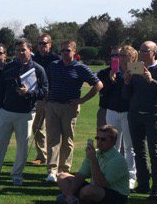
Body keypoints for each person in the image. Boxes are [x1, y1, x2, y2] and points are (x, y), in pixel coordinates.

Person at [0, 39, 48, 186]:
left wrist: (29, 93)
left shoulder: (38, 69)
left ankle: (16, 175)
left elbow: (44, 91)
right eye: (17, 50)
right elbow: (1, 89)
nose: (20, 53)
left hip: (26, 113)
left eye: (23, 50)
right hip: (6, 112)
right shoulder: (9, 68)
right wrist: (0, 108)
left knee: (22, 147)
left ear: (30, 50)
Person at [42, 40, 101, 182]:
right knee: (52, 139)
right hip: (52, 105)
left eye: (67, 50)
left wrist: (82, 100)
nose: (64, 53)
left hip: (70, 107)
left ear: (74, 52)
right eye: (62, 51)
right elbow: (45, 83)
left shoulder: (81, 68)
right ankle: (52, 170)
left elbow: (98, 84)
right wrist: (46, 101)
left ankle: (64, 170)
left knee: (67, 139)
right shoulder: (53, 66)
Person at [123, 41, 157, 201]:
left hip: (154, 115)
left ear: (154, 52)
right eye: (141, 50)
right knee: (139, 152)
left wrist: (151, 81)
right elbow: (126, 95)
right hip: (135, 114)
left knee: (155, 152)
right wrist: (127, 82)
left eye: (146, 50)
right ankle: (143, 184)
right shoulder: (135, 67)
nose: (142, 53)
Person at [56, 125, 130, 204]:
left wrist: (93, 160)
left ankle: (78, 201)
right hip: (98, 190)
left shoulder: (117, 160)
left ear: (113, 142)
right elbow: (81, 175)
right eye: (97, 138)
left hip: (116, 197)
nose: (99, 142)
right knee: (62, 177)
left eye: (103, 139)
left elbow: (101, 184)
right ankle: (72, 200)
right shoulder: (95, 153)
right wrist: (70, 194)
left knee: (87, 191)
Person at [97, 45, 138, 187]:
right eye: (118, 56)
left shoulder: (135, 68)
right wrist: (110, 80)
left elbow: (136, 91)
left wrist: (127, 80)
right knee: (112, 144)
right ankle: (111, 172)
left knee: (129, 146)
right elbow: (104, 93)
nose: (119, 58)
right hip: (112, 111)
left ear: (131, 57)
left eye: (123, 56)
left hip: (128, 112)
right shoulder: (112, 70)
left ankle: (131, 176)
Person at [29, 33, 59, 166]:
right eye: (40, 43)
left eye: (44, 43)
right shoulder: (33, 58)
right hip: (40, 97)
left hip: (54, 97)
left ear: (50, 45)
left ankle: (55, 158)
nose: (42, 46)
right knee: (37, 126)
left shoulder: (56, 59)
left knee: (53, 128)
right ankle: (42, 156)